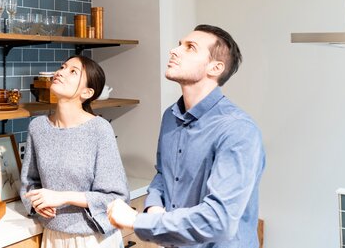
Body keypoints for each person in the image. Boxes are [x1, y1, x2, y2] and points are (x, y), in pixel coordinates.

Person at [107, 24, 266, 247]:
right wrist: (154, 207)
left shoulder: (238, 129)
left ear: (215, 67)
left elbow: (218, 221)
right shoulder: (170, 117)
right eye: (179, 44)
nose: (174, 51)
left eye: (190, 47)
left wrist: (138, 221)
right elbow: (164, 174)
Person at [21, 55, 129, 248]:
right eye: (62, 67)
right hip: (53, 236)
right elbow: (29, 182)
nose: (60, 72)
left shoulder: (99, 129)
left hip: (95, 239)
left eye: (73, 71)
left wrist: (63, 197)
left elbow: (116, 197)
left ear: (87, 92)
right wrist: (36, 203)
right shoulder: (37, 127)